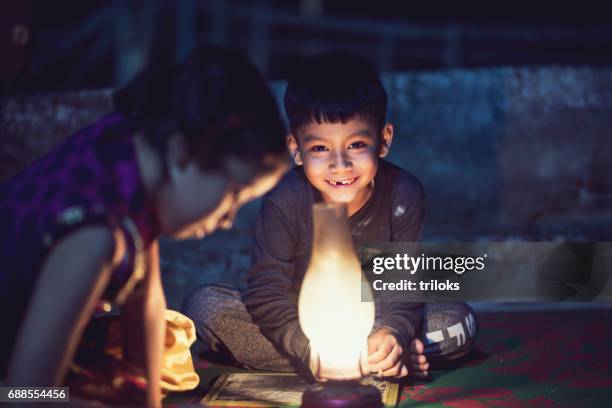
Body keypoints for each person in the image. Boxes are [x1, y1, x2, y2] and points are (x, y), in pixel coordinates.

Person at [0, 46, 288, 407]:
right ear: (183, 154)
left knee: (162, 348)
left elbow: (147, 302)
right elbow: (26, 395)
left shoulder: (133, 150)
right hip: (16, 386)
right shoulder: (94, 237)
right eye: (233, 194)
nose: (229, 220)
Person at [183, 51, 478, 380]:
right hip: (300, 322)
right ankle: (367, 363)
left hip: (375, 315)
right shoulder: (286, 199)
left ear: (383, 140)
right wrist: (305, 347)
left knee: (455, 321)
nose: (340, 165)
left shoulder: (403, 194)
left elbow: (402, 286)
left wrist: (395, 334)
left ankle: (376, 356)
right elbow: (266, 291)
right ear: (296, 148)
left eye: (355, 145)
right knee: (204, 306)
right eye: (320, 149)